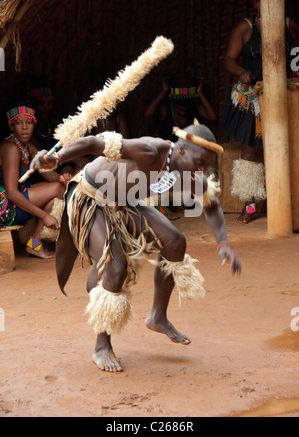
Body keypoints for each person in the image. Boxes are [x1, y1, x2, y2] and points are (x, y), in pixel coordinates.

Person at [31, 123, 241, 372]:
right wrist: (56, 158)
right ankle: (101, 346)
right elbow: (92, 143)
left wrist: (223, 243)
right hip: (91, 198)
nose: (202, 170)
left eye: (206, 165)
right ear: (183, 150)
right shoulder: (150, 150)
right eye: (200, 162)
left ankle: (157, 316)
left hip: (126, 203)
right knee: (115, 267)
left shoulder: (189, 173)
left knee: (175, 242)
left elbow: (211, 202)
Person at [222, 0, 299, 223]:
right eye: (260, 0)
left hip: (286, 94)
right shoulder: (246, 28)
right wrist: (242, 71)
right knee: (252, 148)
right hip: (254, 96)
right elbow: (227, 59)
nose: (264, 4)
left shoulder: (290, 26)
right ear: (255, 3)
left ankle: (293, 203)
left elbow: (297, 54)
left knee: (292, 147)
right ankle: (250, 205)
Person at [0, 102, 67, 258]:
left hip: (14, 202)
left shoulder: (27, 147)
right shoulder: (11, 148)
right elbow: (10, 192)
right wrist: (44, 216)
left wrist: (62, 177)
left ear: (33, 125)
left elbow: (48, 174)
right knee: (57, 189)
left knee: (55, 195)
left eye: (29, 123)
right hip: (5, 209)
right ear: (11, 126)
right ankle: (35, 244)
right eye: (19, 123)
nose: (24, 127)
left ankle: (34, 245)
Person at [144, 77, 217, 142]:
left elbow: (212, 117)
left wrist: (199, 93)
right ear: (173, 103)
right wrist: (163, 91)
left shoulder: (194, 108)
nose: (182, 113)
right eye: (179, 109)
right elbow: (147, 114)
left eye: (185, 110)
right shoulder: (166, 109)